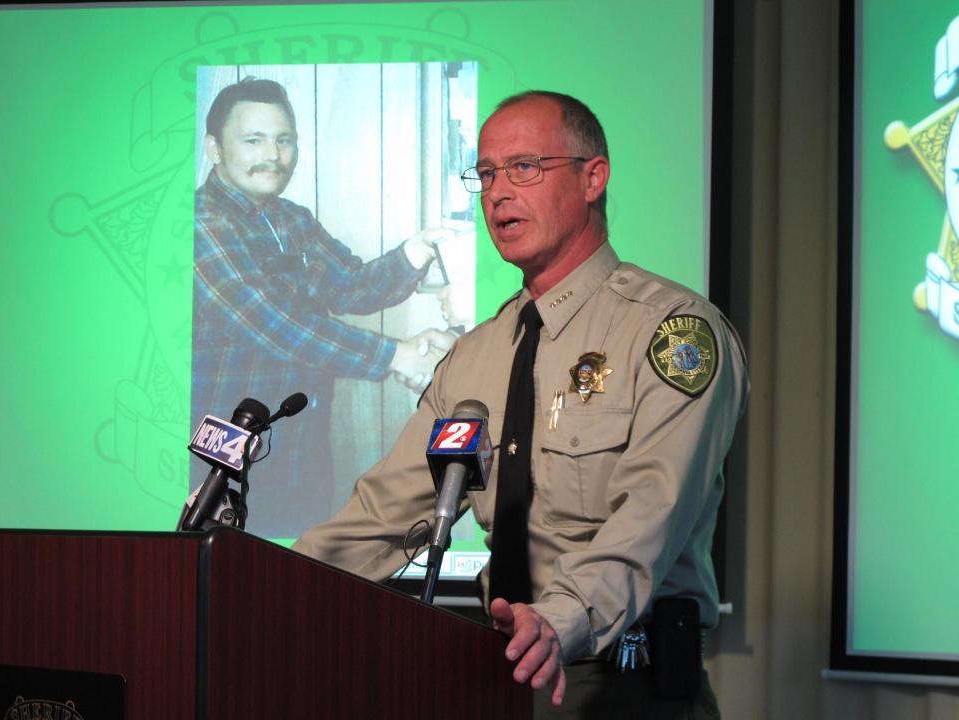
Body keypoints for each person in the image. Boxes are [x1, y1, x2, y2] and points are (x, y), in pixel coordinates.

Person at [293, 90, 749, 718]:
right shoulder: (476, 355)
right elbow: (384, 514)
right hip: (498, 677)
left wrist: (560, 622)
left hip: (619, 687)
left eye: (525, 167)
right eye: (485, 173)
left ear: (594, 178)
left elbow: (650, 516)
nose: (498, 191)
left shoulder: (671, 333)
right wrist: (258, 585)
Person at [193, 77, 454, 536]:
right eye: (253, 140)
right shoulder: (201, 225)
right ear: (214, 148)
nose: (272, 155)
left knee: (301, 576)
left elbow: (351, 288)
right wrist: (399, 356)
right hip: (226, 464)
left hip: (303, 451)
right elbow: (276, 325)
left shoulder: (292, 218)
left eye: (283, 140)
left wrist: (415, 251)